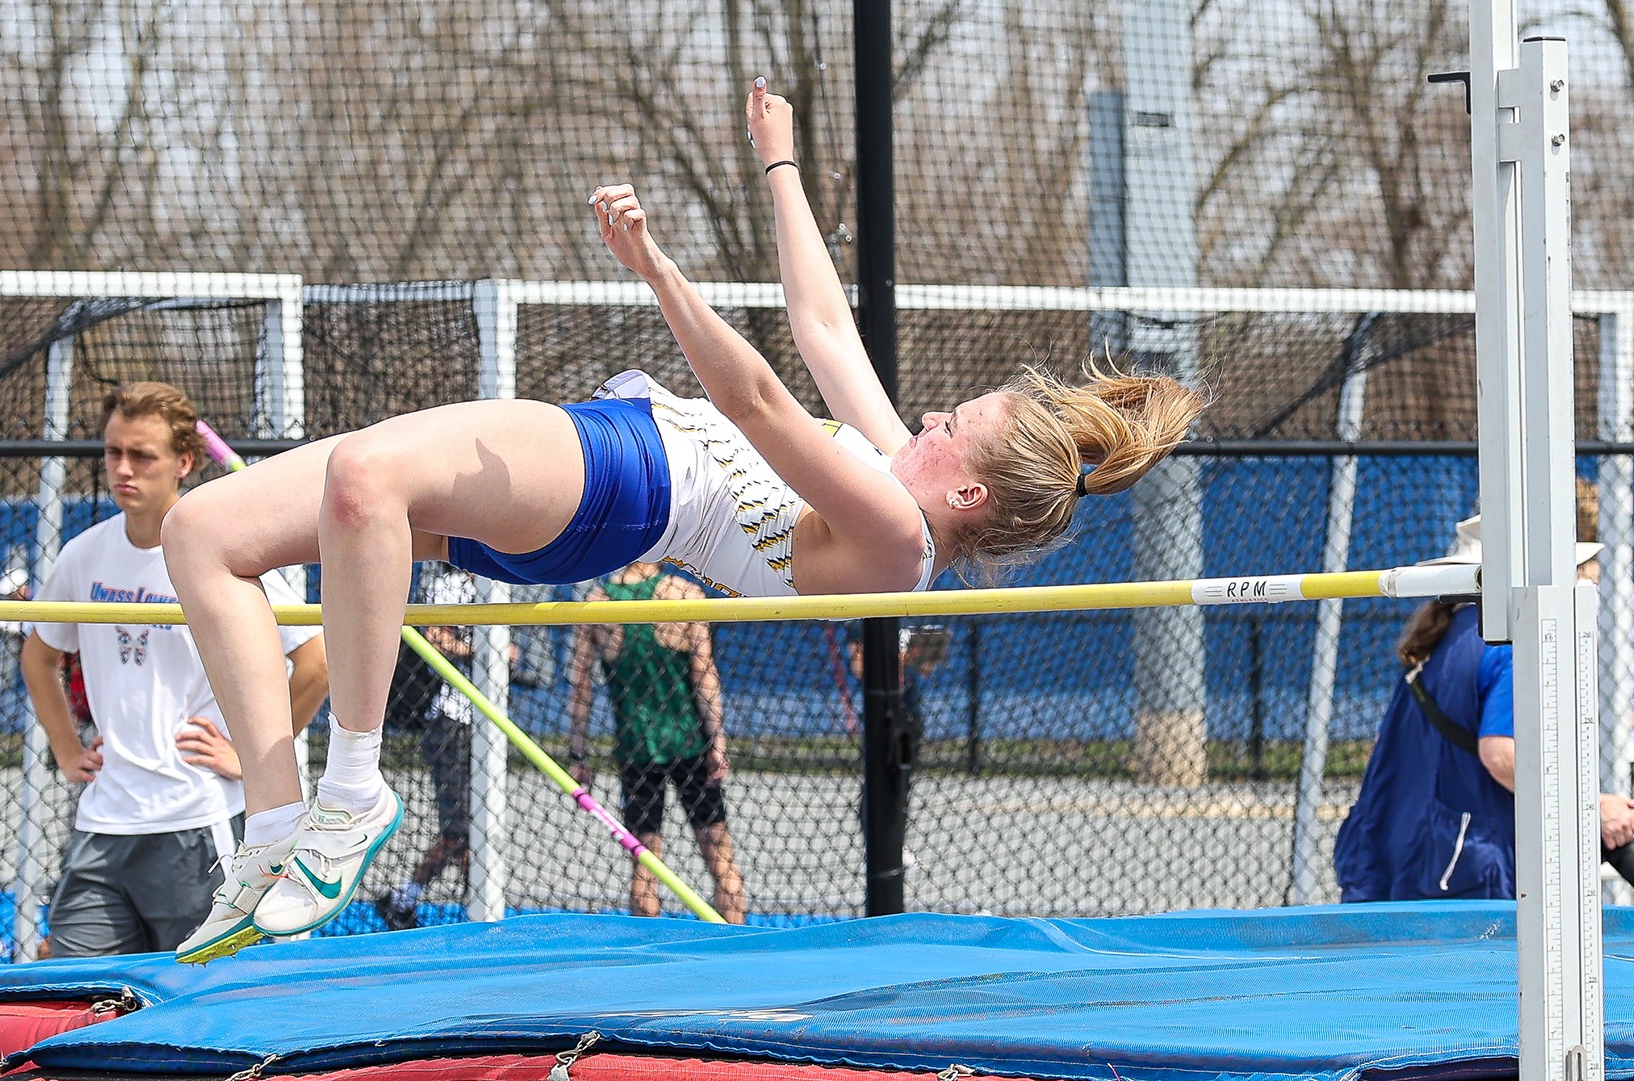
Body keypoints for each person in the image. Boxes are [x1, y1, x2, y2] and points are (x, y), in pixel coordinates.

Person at [157, 79, 1203, 962]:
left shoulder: (895, 536)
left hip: (635, 478)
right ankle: (280, 826)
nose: (929, 414)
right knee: (204, 535)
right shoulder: (894, 472)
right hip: (606, 465)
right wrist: (780, 162)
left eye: (952, 423)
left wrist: (659, 271)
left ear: (967, 492)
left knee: (365, 476)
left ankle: (351, 793)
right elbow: (822, 325)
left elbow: (756, 401)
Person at [22, 382, 329, 958]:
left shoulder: (223, 553)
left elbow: (314, 663)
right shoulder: (83, 555)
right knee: (74, 990)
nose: (123, 469)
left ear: (184, 462)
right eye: (113, 452)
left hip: (197, 822)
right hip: (103, 822)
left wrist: (252, 756)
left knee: (201, 997)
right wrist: (66, 749)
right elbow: (39, 657)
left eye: (142, 455)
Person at [1333, 512, 1634, 901]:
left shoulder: (1441, 636)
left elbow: (1382, 745)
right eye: (1576, 567)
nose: (1587, 576)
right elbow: (1500, 754)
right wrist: (1589, 807)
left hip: (1389, 852)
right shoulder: (1513, 643)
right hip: (1459, 870)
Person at [568, 561, 747, 923]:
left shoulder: (597, 602)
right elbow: (705, 676)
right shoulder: (683, 594)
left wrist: (577, 752)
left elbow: (580, 687)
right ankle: (736, 949)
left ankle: (649, 956)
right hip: (689, 744)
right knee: (719, 853)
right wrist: (718, 742)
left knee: (645, 860)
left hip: (637, 747)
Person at [377, 562, 479, 931]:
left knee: (473, 830)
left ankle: (405, 899)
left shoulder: (491, 584)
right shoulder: (448, 584)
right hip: (449, 723)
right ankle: (406, 900)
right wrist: (475, 649)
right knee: (460, 831)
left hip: (481, 725)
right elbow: (435, 636)